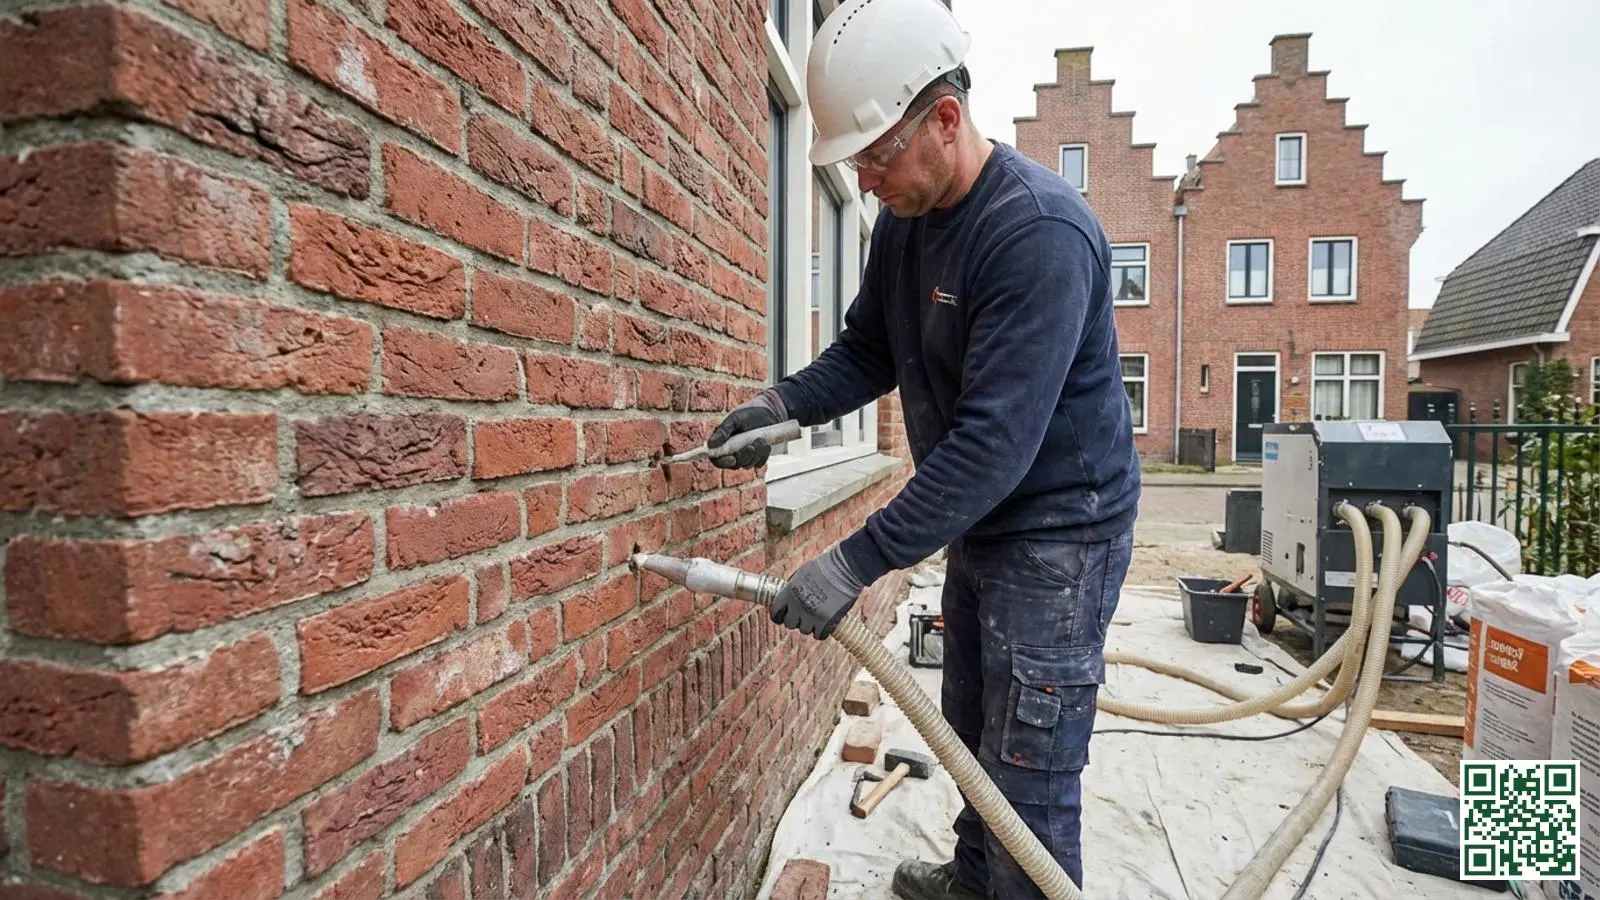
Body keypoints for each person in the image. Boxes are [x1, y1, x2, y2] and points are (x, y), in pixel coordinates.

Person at [707, 0, 1140, 897]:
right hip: (985, 521)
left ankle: (1013, 880)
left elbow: (992, 447)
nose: (864, 182)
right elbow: (869, 347)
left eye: (876, 154)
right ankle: (977, 878)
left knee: (1029, 766)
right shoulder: (906, 226)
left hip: (1061, 532)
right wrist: (783, 403)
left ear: (945, 119)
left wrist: (853, 561)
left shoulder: (1038, 237)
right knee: (973, 719)